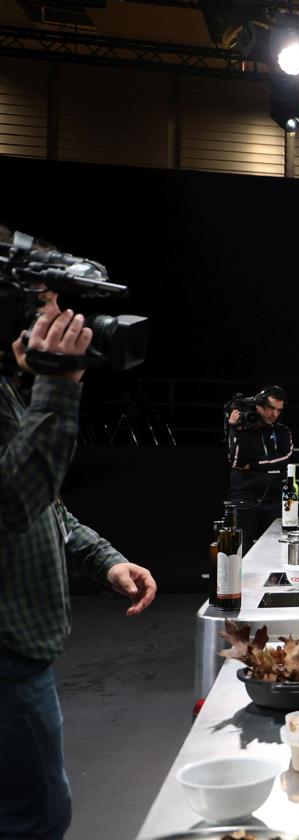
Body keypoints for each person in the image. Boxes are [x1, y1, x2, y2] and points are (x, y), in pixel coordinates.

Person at [1, 279, 158, 839]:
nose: (65, 322)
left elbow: (47, 505)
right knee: (32, 818)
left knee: (36, 810)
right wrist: (60, 384)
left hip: (20, 654)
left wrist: (105, 560)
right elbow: (13, 498)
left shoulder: (11, 392)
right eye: (48, 312)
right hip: (6, 656)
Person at [225, 385, 293, 548]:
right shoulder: (241, 430)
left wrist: (254, 466)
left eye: (278, 410)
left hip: (274, 500)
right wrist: (236, 431)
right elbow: (237, 463)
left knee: (274, 553)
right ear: (259, 405)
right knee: (239, 553)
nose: (274, 414)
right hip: (244, 499)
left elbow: (284, 458)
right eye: (271, 409)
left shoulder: (283, 431)